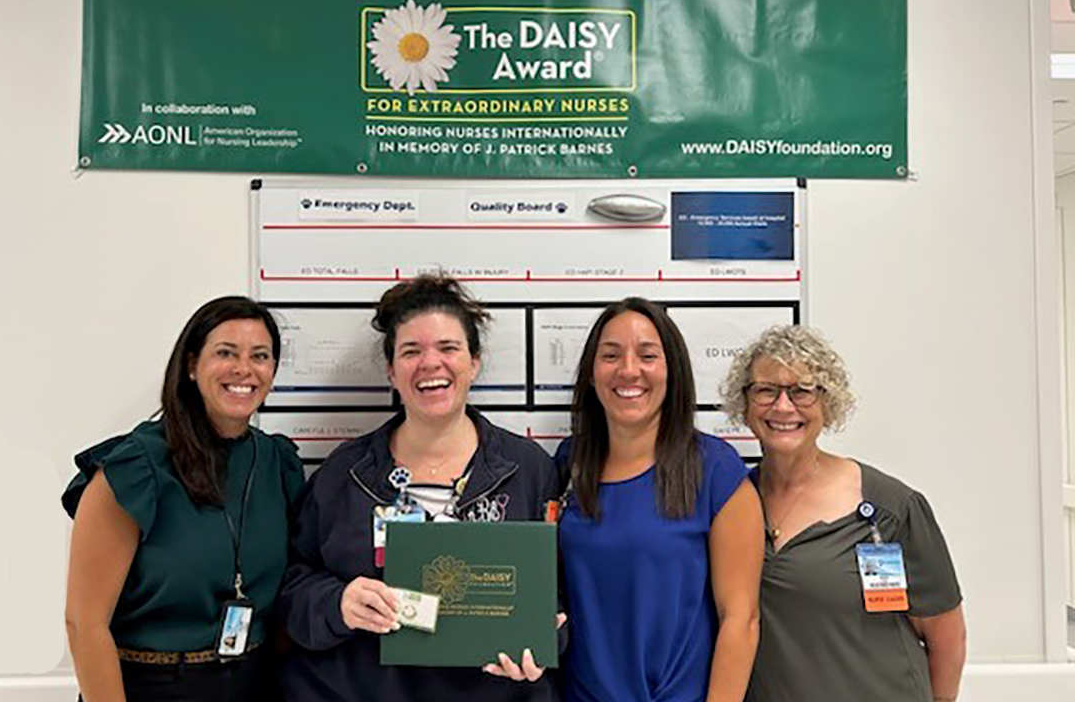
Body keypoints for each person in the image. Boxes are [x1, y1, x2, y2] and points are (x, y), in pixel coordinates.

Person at [278, 273, 562, 702]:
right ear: (392, 371)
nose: (431, 364)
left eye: (448, 348)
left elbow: (560, 598)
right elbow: (290, 585)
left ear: (474, 362)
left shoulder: (528, 470)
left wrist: (546, 645)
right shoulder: (345, 472)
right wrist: (337, 603)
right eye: (411, 351)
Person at [62, 296, 304, 702]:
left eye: (259, 356)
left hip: (252, 685)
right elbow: (84, 623)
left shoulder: (278, 465)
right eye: (226, 353)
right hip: (150, 688)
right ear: (192, 365)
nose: (243, 369)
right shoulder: (133, 470)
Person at [719, 325, 966, 702]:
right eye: (766, 390)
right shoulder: (731, 504)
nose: (783, 406)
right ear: (745, 402)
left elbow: (946, 636)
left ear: (827, 401)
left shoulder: (889, 508)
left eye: (802, 390)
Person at [557, 297, 764, 702]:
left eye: (647, 355)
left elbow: (741, 619)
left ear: (672, 370)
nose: (629, 370)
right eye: (611, 355)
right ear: (591, 373)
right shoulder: (569, 464)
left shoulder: (715, 469)